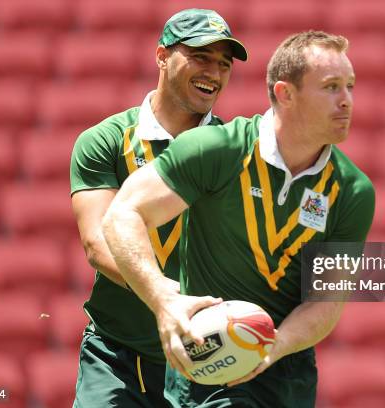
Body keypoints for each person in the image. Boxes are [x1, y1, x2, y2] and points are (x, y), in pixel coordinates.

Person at [102, 30, 375, 407]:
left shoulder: (353, 191)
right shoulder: (218, 150)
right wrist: (163, 301)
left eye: (350, 86)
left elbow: (326, 302)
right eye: (331, 87)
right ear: (285, 94)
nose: (347, 101)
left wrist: (275, 345)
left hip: (286, 378)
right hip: (207, 369)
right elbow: (123, 214)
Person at [69, 8, 247, 408]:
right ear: (162, 57)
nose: (214, 73)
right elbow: (98, 244)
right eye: (201, 57)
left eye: (224, 64)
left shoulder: (236, 149)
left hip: (210, 357)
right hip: (118, 356)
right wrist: (167, 299)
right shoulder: (106, 141)